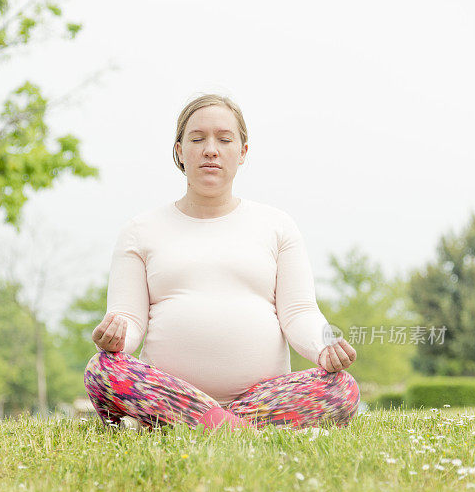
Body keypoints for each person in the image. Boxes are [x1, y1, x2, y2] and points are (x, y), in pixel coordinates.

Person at [84, 93, 359, 433]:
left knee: (343, 388)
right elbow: (128, 319)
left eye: (224, 139)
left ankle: (205, 426)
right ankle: (234, 430)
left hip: (263, 400)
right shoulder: (139, 230)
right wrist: (115, 339)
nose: (210, 150)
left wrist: (324, 345)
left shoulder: (277, 225)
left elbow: (299, 311)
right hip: (167, 396)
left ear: (243, 152)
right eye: (197, 139)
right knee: (102, 368)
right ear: (179, 151)